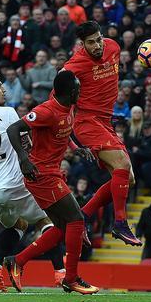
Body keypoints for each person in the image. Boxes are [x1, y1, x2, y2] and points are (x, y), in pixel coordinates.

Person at [0, 72, 67, 292]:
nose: (4, 89)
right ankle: (60, 273)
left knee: (18, 225)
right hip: (13, 183)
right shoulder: (8, 113)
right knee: (49, 221)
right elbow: (26, 141)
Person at [2, 70, 99, 295]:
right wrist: (23, 159)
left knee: (63, 227)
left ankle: (17, 260)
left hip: (52, 172)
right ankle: (71, 278)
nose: (80, 92)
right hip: (40, 174)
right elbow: (13, 129)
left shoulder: (68, 106)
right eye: (78, 89)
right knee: (76, 220)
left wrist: (76, 149)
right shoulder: (46, 111)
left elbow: (65, 131)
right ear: (69, 92)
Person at [62, 21, 140, 246]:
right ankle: (120, 223)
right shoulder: (73, 66)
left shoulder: (113, 47)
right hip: (86, 122)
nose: (97, 46)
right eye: (91, 43)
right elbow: (57, 103)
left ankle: (82, 216)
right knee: (123, 165)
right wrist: (73, 145)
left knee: (129, 178)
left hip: (105, 121)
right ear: (81, 45)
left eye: (98, 39)